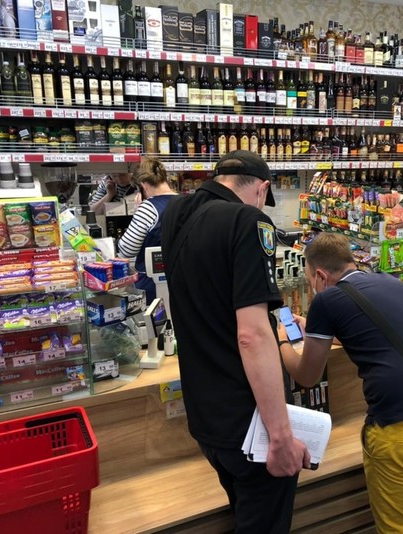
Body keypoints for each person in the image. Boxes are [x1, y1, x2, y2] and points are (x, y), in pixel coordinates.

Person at [277, 232, 403, 534]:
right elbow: (376, 332)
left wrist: (281, 342)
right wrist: (317, 330)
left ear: (320, 275)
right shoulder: (391, 282)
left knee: (400, 529)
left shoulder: (327, 299)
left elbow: (307, 376)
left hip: (402, 432)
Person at [160, 150, 309, 534]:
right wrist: (281, 437)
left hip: (206, 418)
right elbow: (252, 334)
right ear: (262, 189)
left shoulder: (177, 213)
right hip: (249, 425)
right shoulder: (248, 221)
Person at [117, 157, 177, 304]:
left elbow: (127, 250)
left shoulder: (148, 207)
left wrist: (138, 210)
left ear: (143, 186)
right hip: (182, 279)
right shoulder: (188, 202)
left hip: (153, 285)